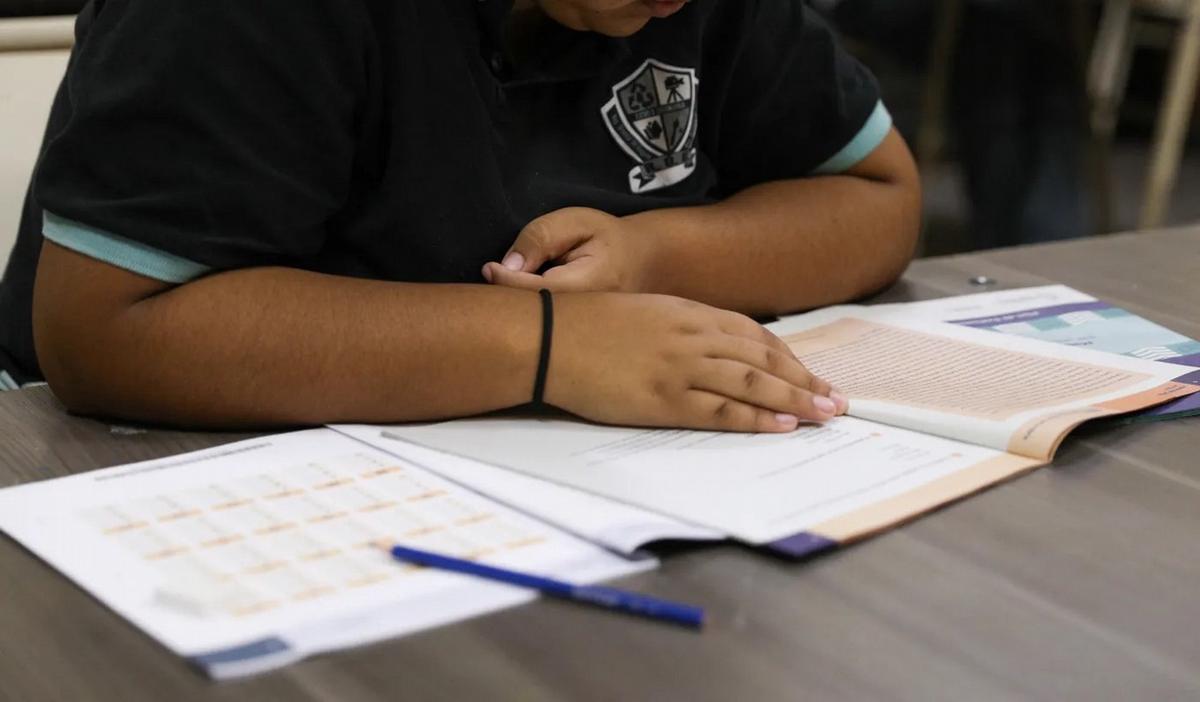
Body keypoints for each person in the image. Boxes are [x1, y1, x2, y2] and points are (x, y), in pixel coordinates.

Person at [0, 0, 921, 433]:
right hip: (126, 473)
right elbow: (98, 333)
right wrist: (552, 343)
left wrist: (658, 254)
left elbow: (878, 196)